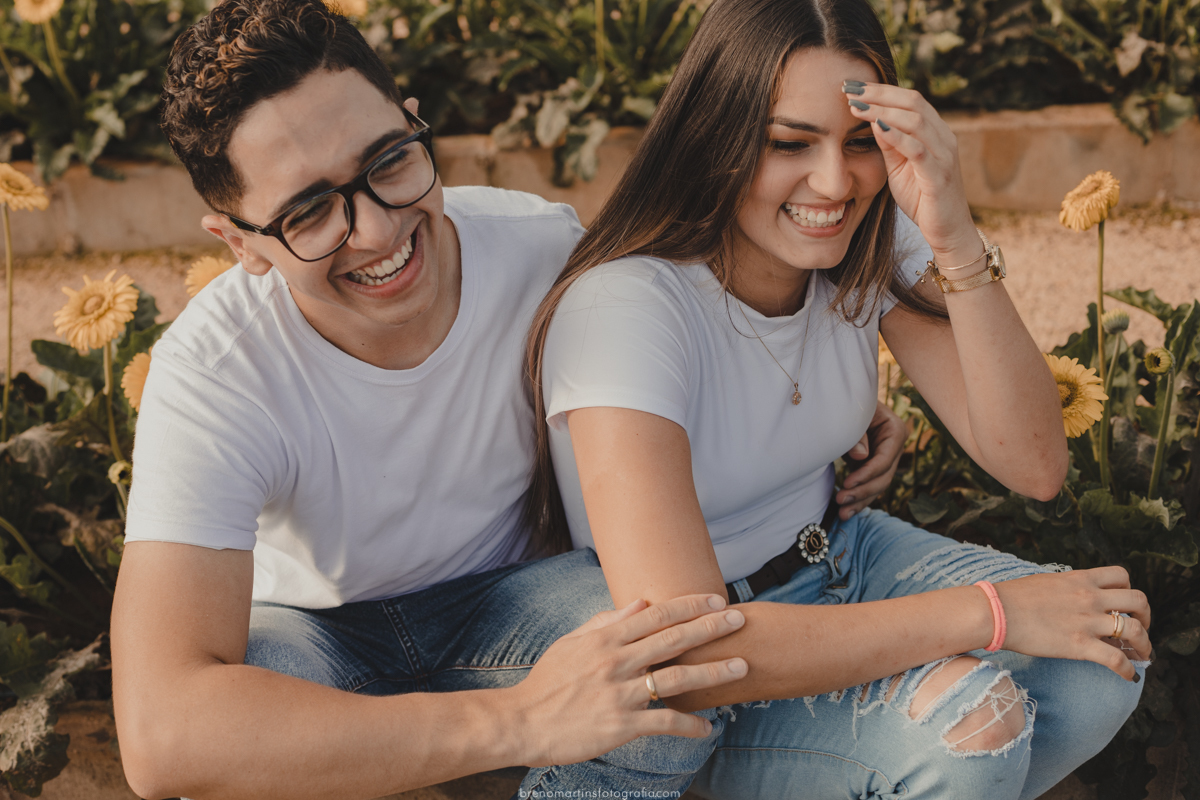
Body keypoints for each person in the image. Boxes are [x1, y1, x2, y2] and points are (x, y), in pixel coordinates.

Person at [111, 1, 914, 797]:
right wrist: (523, 721)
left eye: (389, 161)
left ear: (416, 122)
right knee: (228, 743)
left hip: (518, 605)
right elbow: (161, 733)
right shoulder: (214, 372)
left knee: (666, 660)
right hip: (312, 637)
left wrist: (824, 417)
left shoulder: (547, 254)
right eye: (309, 213)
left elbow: (669, 366)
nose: (378, 232)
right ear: (239, 242)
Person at [528, 0, 1152, 796]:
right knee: (972, 733)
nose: (835, 182)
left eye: (862, 143)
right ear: (714, 135)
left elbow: (1031, 462)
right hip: (721, 661)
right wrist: (992, 613)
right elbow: (687, 648)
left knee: (1108, 656)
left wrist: (954, 230)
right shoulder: (627, 307)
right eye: (790, 143)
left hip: (844, 555)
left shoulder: (873, 237)